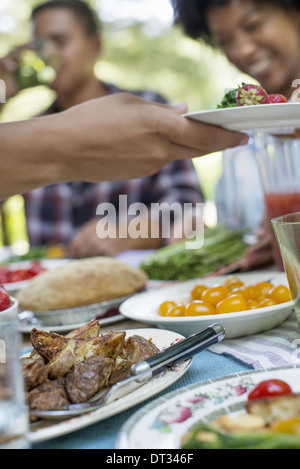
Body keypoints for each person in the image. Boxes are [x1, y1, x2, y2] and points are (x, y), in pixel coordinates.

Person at [1, 0, 206, 257]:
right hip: (51, 288)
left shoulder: (145, 109)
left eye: (60, 42)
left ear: (95, 46)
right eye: (40, 45)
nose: (48, 55)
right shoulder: (27, 132)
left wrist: (132, 232)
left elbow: (187, 205)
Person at [171, 0, 300, 270]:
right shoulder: (236, 128)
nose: (242, 50)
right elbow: (240, 227)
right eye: (225, 40)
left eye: (254, 25)